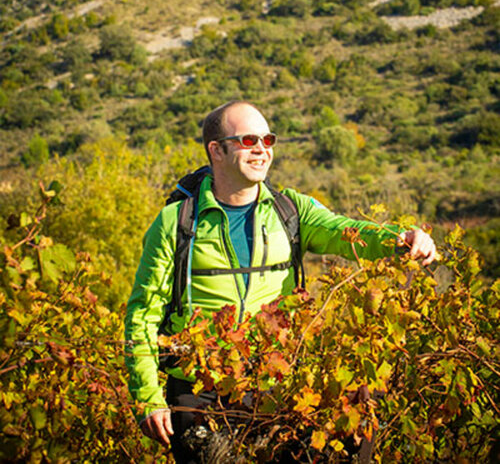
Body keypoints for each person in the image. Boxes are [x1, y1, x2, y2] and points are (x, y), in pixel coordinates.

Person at [124, 101, 436, 461]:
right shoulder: (176, 223)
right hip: (199, 390)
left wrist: (402, 239)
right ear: (217, 150)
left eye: (268, 139)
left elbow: (344, 231)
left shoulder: (291, 211)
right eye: (248, 139)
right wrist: (147, 397)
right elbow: (143, 316)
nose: (262, 148)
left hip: (275, 383)